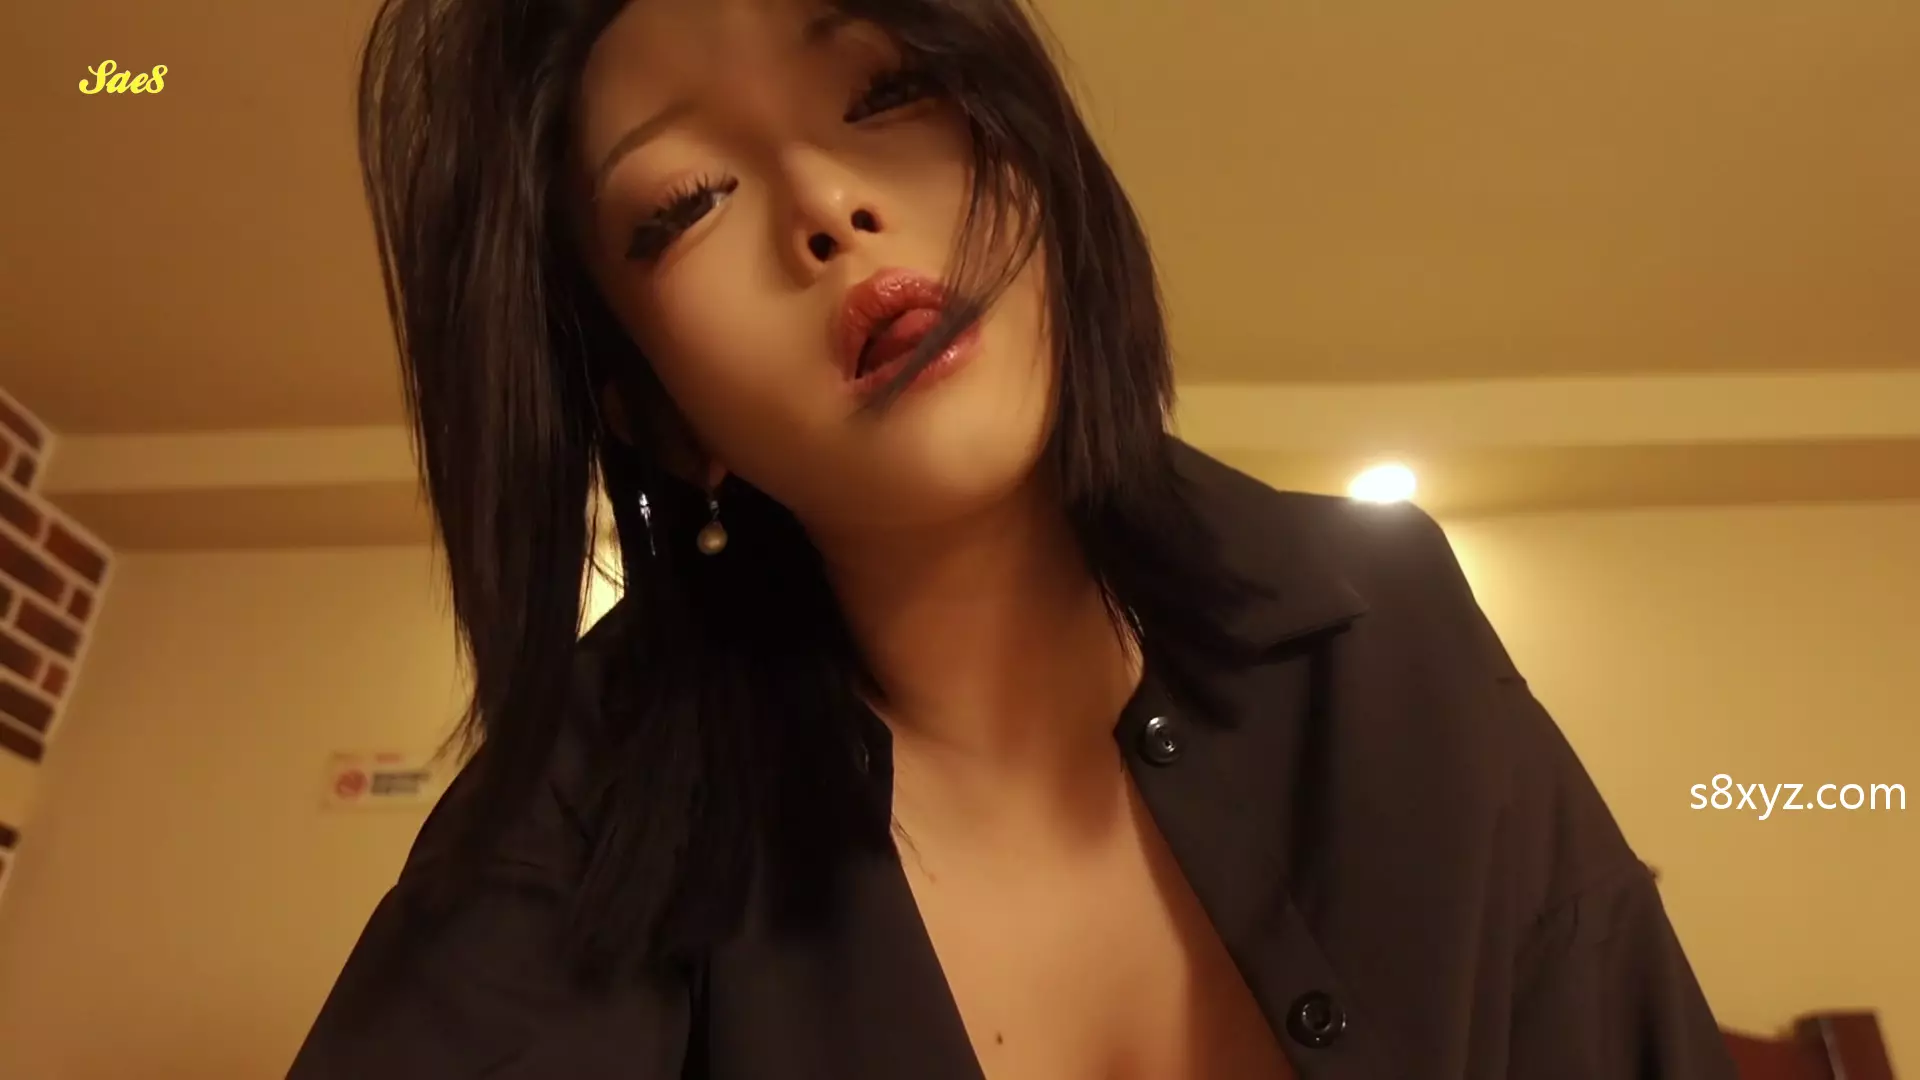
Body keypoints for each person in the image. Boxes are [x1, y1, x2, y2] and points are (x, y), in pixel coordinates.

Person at [290, 0, 1738, 1076]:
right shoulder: (580, 810)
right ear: (659, 415)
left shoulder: (1388, 621)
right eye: (683, 206)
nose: (825, 207)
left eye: (888, 89)